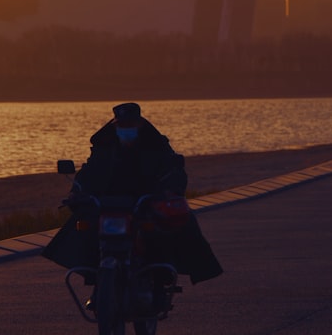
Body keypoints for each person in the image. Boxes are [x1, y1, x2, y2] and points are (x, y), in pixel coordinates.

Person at [42, 102, 222, 285]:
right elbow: (90, 171)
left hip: (146, 203)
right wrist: (76, 191)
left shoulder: (157, 145)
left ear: (140, 125)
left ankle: (167, 272)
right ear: (115, 125)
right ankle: (92, 273)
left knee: (180, 221)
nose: (126, 130)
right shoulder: (104, 146)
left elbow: (173, 169)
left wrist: (170, 190)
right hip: (109, 203)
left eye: (130, 126)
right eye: (122, 126)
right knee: (83, 225)